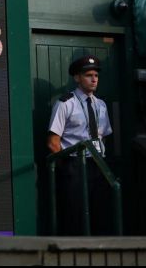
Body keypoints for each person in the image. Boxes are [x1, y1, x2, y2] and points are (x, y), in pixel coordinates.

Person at [47, 55, 113, 235]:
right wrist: (67, 167)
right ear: (77, 78)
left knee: (100, 212)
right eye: (88, 75)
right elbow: (53, 142)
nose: (94, 79)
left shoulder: (101, 105)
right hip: (74, 165)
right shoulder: (65, 103)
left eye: (96, 76)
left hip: (99, 164)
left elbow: (103, 136)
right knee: (74, 214)